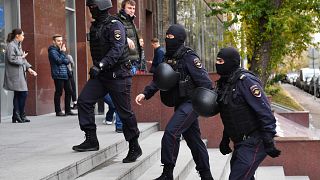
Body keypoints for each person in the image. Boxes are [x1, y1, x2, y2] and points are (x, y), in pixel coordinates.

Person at [135, 24, 214, 180]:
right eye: (166, 36)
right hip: (180, 103)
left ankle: (167, 174)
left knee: (171, 132)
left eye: (171, 37)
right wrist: (145, 93)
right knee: (194, 141)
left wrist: (205, 103)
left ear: (179, 39)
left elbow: (205, 82)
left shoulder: (189, 57)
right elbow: (159, 79)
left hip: (192, 103)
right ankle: (206, 175)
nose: (167, 39)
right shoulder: (167, 57)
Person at [72, 0, 142, 164]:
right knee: (84, 101)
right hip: (102, 75)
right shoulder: (95, 25)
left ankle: (134, 145)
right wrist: (99, 67)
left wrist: (101, 64)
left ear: (102, 7)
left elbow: (117, 49)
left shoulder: (115, 25)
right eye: (89, 8)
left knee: (124, 112)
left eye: (93, 7)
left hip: (118, 75)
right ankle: (91, 139)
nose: (90, 10)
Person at [214, 47, 281, 179]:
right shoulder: (226, 83)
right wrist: (225, 138)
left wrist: (268, 139)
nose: (217, 64)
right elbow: (231, 114)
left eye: (221, 61)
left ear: (231, 62)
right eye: (217, 61)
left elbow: (265, 111)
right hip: (240, 143)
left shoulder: (246, 81)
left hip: (255, 141)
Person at [3, 28, 37, 123]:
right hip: (14, 75)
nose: (23, 37)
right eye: (22, 35)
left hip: (19, 74)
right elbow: (11, 59)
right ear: (17, 35)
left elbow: (23, 60)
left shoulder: (18, 45)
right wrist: (21, 57)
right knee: (23, 93)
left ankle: (17, 115)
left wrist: (30, 69)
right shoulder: (11, 46)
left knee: (19, 94)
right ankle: (20, 114)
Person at [48, 34, 76, 116]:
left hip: (65, 73)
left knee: (69, 91)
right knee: (59, 92)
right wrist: (63, 53)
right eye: (58, 41)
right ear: (54, 41)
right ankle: (58, 111)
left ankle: (68, 110)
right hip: (58, 74)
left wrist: (62, 55)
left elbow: (67, 61)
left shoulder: (60, 50)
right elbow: (59, 61)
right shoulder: (52, 51)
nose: (60, 42)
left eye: (61, 40)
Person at [116, 0, 141, 75]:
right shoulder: (117, 20)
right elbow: (115, 36)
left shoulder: (131, 21)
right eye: (129, 8)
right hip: (124, 62)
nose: (132, 11)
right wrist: (126, 39)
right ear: (123, 8)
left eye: (133, 8)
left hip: (134, 61)